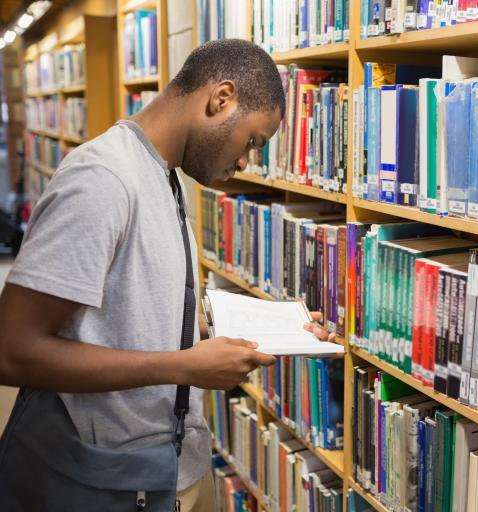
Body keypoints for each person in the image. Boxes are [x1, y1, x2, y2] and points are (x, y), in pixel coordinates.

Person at [0, 39, 335, 511]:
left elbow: (128, 309)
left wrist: (256, 330)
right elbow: (12, 350)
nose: (245, 163)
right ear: (221, 98)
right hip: (103, 478)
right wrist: (185, 366)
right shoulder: (102, 180)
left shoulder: (164, 173)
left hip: (162, 468)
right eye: (253, 142)